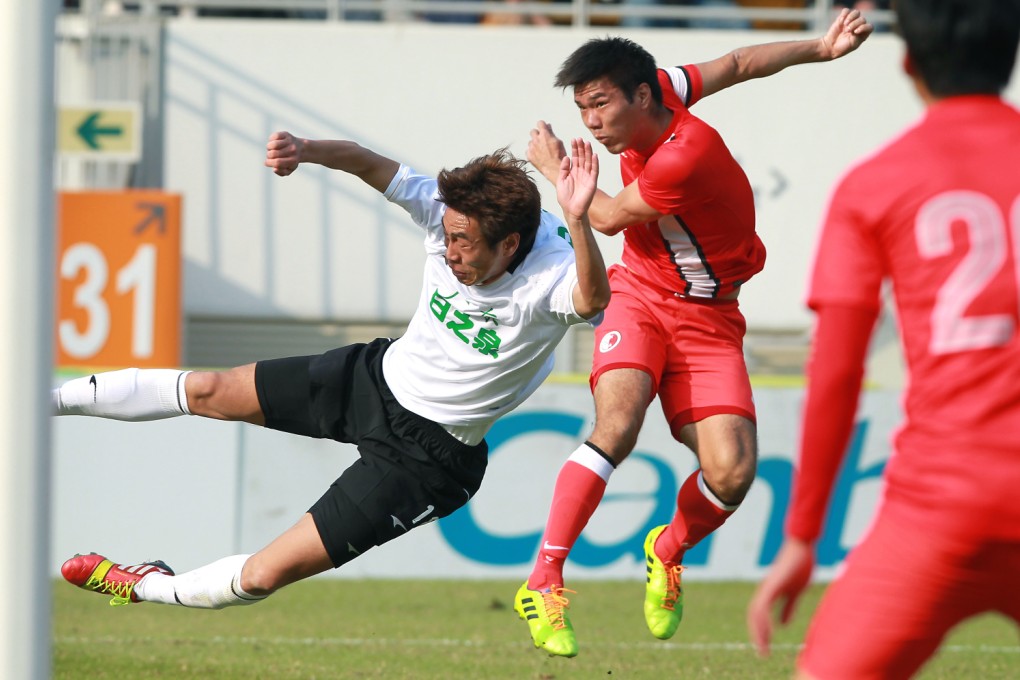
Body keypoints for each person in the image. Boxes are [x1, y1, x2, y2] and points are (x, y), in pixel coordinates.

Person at [56, 133, 611, 615]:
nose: (448, 250)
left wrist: (580, 216)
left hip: (426, 459)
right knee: (206, 388)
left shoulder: (554, 272)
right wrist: (307, 151)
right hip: (372, 379)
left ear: (510, 245)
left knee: (262, 576)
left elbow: (592, 298)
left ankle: (145, 584)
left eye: (463, 242)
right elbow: (367, 162)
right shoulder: (449, 217)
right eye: (446, 233)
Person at [514, 9, 872, 658]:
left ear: (642, 95)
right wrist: (818, 47)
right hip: (641, 299)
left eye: (600, 105)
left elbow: (612, 215)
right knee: (616, 426)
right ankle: (545, 578)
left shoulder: (685, 153)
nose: (590, 122)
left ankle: (668, 548)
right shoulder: (666, 89)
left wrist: (556, 172)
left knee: (732, 475)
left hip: (710, 319)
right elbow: (738, 64)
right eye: (582, 109)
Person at [747, 1, 1020, 677]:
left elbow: (836, 373)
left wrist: (803, 536)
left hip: (937, 511)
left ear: (908, 64)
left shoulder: (875, 184)